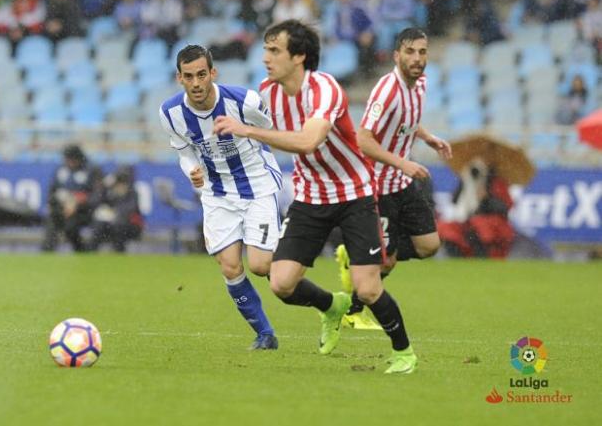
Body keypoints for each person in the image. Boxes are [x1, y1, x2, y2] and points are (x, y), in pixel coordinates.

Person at [213, 20, 417, 373]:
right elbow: (230, 119)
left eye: (274, 50)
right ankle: (331, 306)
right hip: (310, 197)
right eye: (265, 49)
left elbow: (309, 140)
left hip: (354, 195)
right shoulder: (267, 92)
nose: (265, 57)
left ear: (300, 56)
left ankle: (404, 353)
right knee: (281, 282)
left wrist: (248, 130)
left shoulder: (325, 89)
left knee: (368, 289)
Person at [158, 44, 281, 351]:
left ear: (213, 72)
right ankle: (265, 334)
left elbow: (274, 133)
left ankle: (294, 240)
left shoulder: (246, 100)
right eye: (189, 76)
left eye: (202, 74)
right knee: (229, 266)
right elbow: (185, 154)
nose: (196, 83)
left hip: (257, 184)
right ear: (179, 78)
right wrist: (192, 172)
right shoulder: (171, 113)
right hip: (217, 192)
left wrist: (245, 131)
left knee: (261, 266)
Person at [337, 27, 452, 329]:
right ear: (396, 55)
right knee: (385, 262)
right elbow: (363, 139)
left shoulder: (421, 83)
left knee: (429, 245)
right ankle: (352, 310)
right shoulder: (386, 91)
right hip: (377, 188)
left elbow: (408, 120)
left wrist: (427, 137)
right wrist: (403, 163)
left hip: (402, 182)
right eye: (410, 52)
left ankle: (362, 255)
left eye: (422, 52)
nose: (417, 58)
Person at [41, 144, 103, 252]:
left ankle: (81, 251)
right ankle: (47, 253)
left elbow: (97, 196)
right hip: (63, 209)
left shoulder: (92, 170)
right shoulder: (61, 170)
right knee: (52, 220)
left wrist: (77, 204)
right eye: (67, 159)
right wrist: (60, 203)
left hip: (84, 211)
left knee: (70, 226)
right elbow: (52, 192)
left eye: (71, 159)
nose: (69, 162)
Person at [88, 165, 144, 253]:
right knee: (98, 225)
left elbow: (131, 209)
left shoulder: (132, 193)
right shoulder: (109, 191)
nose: (121, 184)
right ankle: (91, 253)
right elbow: (94, 202)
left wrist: (116, 212)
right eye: (119, 180)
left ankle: (119, 252)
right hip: (109, 224)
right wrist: (103, 187)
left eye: (124, 181)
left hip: (128, 225)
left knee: (119, 225)